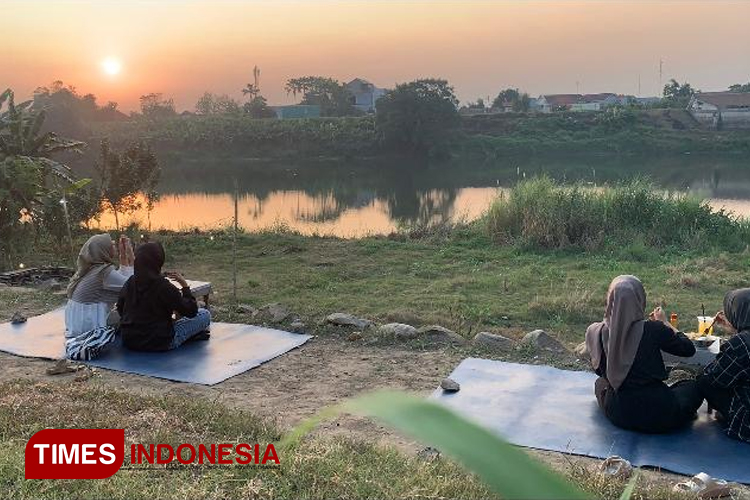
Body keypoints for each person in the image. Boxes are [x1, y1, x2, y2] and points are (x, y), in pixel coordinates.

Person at [585, 275, 703, 433]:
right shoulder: (653, 329)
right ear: (640, 299)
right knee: (693, 387)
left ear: (610, 300)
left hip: (619, 413)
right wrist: (665, 323)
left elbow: (599, 371)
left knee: (600, 383)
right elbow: (688, 349)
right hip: (659, 414)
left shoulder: (595, 331)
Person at [117, 242, 211, 351]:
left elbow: (120, 308)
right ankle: (188, 337)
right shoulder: (163, 286)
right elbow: (191, 311)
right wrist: (185, 286)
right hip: (160, 342)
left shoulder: (130, 282)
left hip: (130, 340)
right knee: (204, 314)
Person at [697, 289, 750, 443]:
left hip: (746, 421)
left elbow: (716, 378)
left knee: (704, 380)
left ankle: (731, 415)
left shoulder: (741, 344)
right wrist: (735, 329)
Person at [65, 233, 135, 339]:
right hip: (89, 326)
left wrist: (124, 257)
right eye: (111, 245)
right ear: (103, 250)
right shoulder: (103, 272)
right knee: (134, 313)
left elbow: (122, 280)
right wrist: (131, 256)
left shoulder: (92, 269)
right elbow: (133, 286)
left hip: (77, 323)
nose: (115, 246)